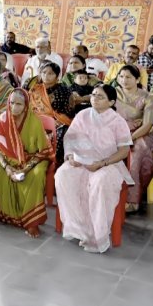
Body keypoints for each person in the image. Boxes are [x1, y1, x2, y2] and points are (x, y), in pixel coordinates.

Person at [54, 84, 133, 254]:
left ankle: (96, 234)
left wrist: (102, 163)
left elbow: (124, 150)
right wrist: (69, 156)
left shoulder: (118, 121)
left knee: (99, 182)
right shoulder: (82, 115)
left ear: (111, 102)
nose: (94, 99)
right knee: (63, 174)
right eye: (93, 95)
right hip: (81, 161)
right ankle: (78, 226)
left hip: (108, 164)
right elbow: (70, 140)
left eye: (100, 96)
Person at [0, 89, 54, 238]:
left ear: (26, 105)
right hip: (8, 159)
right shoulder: (4, 118)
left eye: (19, 104)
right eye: (12, 103)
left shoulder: (34, 122)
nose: (15, 107)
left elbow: (44, 152)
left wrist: (25, 169)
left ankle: (32, 223)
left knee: (37, 176)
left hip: (34, 159)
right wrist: (7, 167)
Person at [114, 65, 153, 213]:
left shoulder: (149, 98)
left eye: (128, 77)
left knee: (137, 149)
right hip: (116, 132)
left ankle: (132, 198)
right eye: (121, 76)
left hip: (141, 134)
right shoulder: (112, 93)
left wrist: (130, 137)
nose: (124, 80)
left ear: (137, 79)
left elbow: (147, 125)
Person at [25, 61, 73, 163]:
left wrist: (54, 121)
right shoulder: (34, 89)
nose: (46, 76)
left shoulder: (64, 90)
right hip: (35, 121)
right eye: (44, 72)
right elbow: (28, 108)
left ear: (57, 76)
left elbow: (67, 111)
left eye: (50, 73)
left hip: (58, 122)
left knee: (62, 132)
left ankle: (53, 162)